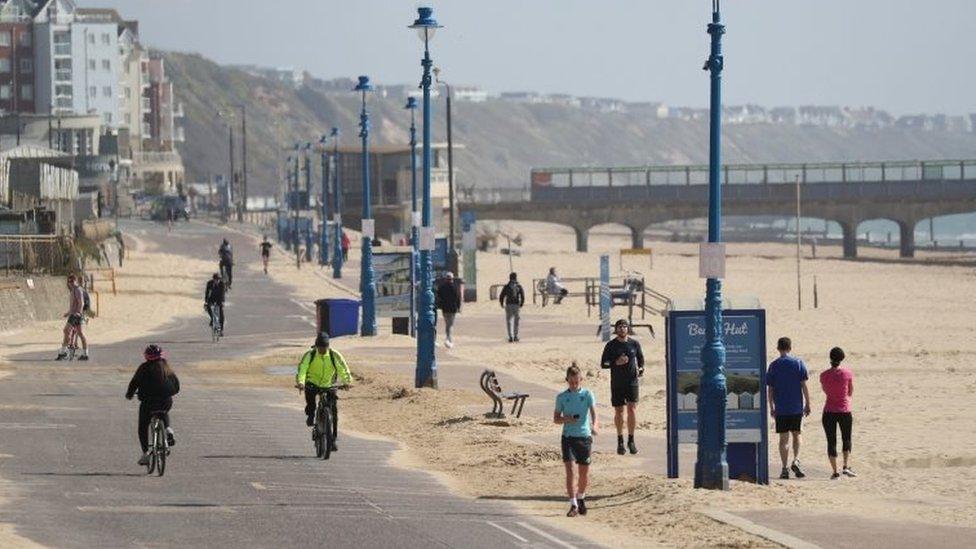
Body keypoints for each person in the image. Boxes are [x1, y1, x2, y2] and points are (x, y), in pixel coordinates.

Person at [554, 362, 598, 517]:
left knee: (584, 473)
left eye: (576, 382)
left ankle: (581, 497)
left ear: (581, 380)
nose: (573, 385)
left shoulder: (587, 394)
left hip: (584, 436)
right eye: (570, 382)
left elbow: (594, 412)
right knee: (570, 472)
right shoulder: (561, 397)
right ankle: (573, 504)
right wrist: (567, 419)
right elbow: (556, 419)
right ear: (566, 380)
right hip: (568, 437)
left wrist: (595, 426)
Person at [295, 333, 353, 450]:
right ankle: (311, 415)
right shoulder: (310, 355)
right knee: (311, 402)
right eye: (320, 348)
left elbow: (343, 368)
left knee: (334, 412)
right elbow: (302, 369)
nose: (322, 350)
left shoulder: (333, 355)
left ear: (328, 347)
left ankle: (333, 440)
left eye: (324, 348)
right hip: (312, 383)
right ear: (316, 346)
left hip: (329, 384)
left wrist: (347, 381)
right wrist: (301, 382)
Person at [125, 344, 180, 466]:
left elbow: (134, 383)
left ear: (146, 356)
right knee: (163, 412)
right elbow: (176, 386)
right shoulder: (166, 367)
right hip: (166, 402)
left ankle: (146, 453)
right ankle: (168, 429)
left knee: (143, 427)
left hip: (148, 403)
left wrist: (129, 395)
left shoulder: (143, 368)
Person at [766, 336, 811, 480]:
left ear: (778, 348)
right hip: (796, 407)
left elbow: (770, 389)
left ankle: (784, 468)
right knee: (797, 434)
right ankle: (796, 460)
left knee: (783, 439)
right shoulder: (798, 363)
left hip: (781, 408)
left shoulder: (773, 366)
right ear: (790, 348)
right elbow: (804, 385)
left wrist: (771, 406)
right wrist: (808, 404)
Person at [600, 318, 644, 455]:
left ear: (628, 329)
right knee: (619, 412)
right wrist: (616, 362)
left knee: (632, 410)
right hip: (617, 383)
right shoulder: (611, 345)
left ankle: (631, 440)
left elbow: (641, 360)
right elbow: (604, 363)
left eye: (625, 327)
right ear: (616, 330)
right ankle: (620, 440)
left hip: (632, 382)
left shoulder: (634, 344)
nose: (622, 329)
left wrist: (641, 370)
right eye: (620, 327)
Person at [820, 347, 856, 479]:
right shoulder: (847, 374)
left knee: (831, 441)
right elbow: (850, 392)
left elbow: (825, 390)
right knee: (846, 438)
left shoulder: (823, 375)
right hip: (844, 410)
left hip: (829, 410)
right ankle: (845, 466)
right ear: (842, 359)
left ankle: (835, 471)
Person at [56, 275, 89, 361]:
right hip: (74, 314)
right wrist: (68, 313)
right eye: (69, 282)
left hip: (75, 315)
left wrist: (78, 313)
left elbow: (81, 303)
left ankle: (63, 352)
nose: (70, 283)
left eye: (71, 281)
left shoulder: (77, 290)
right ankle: (85, 354)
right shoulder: (74, 290)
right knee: (80, 333)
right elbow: (74, 305)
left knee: (66, 330)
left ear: (75, 281)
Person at [436, 272, 462, 348]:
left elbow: (438, 297)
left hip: (445, 308)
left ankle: (448, 339)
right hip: (453, 309)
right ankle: (449, 340)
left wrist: (440, 306)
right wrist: (458, 307)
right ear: (452, 279)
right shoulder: (455, 287)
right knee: (450, 325)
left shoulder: (442, 287)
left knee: (447, 324)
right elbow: (458, 298)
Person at [498, 272, 525, 343]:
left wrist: (501, 303)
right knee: (516, 321)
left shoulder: (506, 286)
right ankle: (516, 336)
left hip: (508, 305)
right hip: (516, 305)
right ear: (516, 278)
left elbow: (502, 296)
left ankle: (510, 337)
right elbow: (522, 296)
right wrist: (521, 304)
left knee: (509, 321)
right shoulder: (518, 286)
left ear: (509, 278)